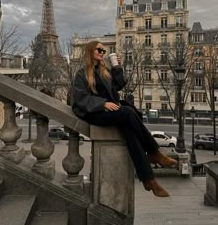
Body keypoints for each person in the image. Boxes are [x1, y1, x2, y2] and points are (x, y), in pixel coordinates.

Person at [72, 41, 177, 197]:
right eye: (99, 49)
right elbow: (79, 98)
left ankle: (149, 181)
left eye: (104, 50)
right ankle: (154, 152)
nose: (102, 52)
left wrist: (117, 69)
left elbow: (118, 86)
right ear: (90, 51)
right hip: (94, 113)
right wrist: (103, 103)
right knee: (127, 112)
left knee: (131, 134)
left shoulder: (104, 71)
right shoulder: (81, 73)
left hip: (110, 111)